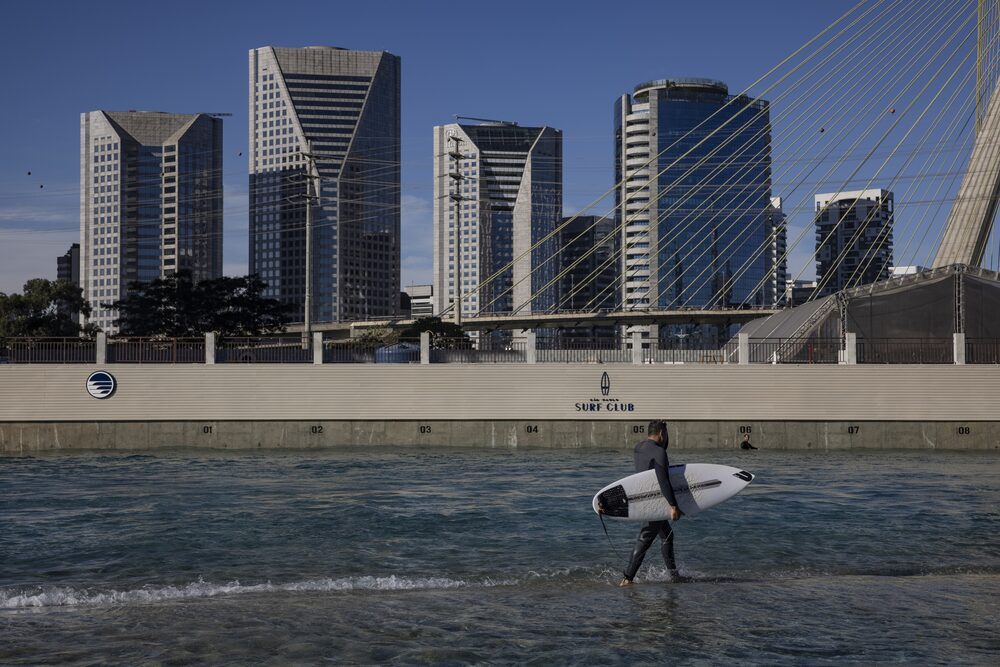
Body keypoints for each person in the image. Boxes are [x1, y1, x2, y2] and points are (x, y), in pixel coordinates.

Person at [618, 419, 683, 586]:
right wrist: (673, 505)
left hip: (643, 497)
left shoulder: (639, 448)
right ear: (662, 433)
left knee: (667, 535)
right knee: (646, 537)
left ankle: (674, 576)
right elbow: (664, 481)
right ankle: (628, 578)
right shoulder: (659, 452)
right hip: (657, 500)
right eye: (665, 434)